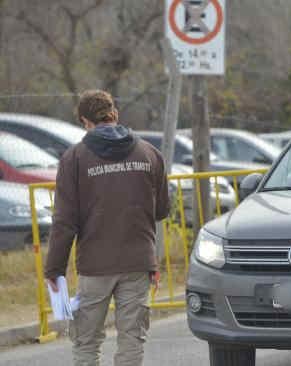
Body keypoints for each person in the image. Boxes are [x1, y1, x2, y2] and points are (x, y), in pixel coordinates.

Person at [45, 90, 170, 366]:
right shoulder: (150, 153)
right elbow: (161, 211)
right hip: (138, 262)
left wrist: (54, 269)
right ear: (115, 114)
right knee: (131, 341)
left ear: (84, 121)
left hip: (95, 266)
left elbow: (65, 222)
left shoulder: (74, 159)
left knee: (87, 342)